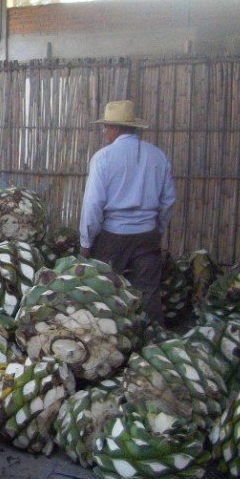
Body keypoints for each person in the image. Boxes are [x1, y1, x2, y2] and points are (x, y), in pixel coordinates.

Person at [78, 99, 175, 324]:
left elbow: (93, 205)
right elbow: (168, 200)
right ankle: (154, 337)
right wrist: (158, 229)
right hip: (147, 235)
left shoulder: (103, 158)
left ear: (115, 128)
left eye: (105, 127)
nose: (104, 132)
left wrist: (86, 243)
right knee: (148, 292)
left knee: (105, 292)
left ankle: (112, 337)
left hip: (113, 237)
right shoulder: (158, 156)